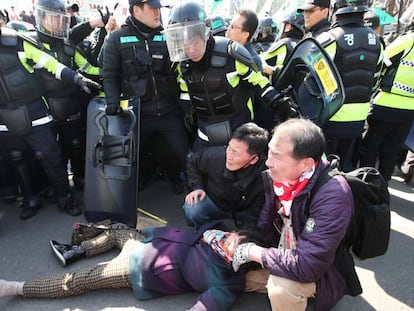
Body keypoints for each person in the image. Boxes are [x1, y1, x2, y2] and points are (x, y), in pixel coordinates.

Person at [231, 118, 356, 310]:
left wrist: (253, 252)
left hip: (320, 271)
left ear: (306, 164)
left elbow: (308, 264)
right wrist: (243, 240)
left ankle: (303, 294)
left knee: (281, 289)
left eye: (277, 156)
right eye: (269, 151)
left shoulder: (333, 195)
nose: (268, 162)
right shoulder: (281, 177)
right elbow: (265, 221)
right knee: (233, 276)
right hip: (285, 252)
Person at [0, 221, 265, 311]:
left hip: (140, 267)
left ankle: (17, 288)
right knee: (115, 229)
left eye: (234, 243)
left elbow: (203, 307)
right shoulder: (216, 234)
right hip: (148, 239)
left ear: (243, 258)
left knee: (80, 280)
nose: (227, 239)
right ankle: (78, 249)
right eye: (233, 235)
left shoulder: (229, 282)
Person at [0, 9, 100, 219]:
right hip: (3, 116)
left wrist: (76, 78)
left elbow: (50, 63)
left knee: (51, 156)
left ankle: (66, 196)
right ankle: (30, 198)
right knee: (17, 158)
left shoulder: (17, 43)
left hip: (33, 110)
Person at [163, 0, 295, 151]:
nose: (190, 48)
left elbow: (259, 84)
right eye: (183, 41)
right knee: (196, 166)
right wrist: (185, 114)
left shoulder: (230, 54)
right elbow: (186, 94)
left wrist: (279, 104)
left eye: (193, 40)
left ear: (205, 32)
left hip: (239, 129)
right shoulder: (183, 66)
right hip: (204, 131)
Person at [101, 0, 190, 193]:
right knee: (131, 155)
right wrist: (113, 104)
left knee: (184, 153)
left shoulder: (167, 36)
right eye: (152, 8)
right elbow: (109, 74)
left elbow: (182, 69)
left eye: (159, 8)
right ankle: (134, 183)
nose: (158, 13)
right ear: (136, 10)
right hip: (137, 114)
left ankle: (189, 185)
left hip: (168, 111)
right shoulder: (116, 39)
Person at [316, 0, 383, 172]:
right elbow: (376, 78)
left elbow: (312, 78)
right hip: (359, 116)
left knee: (324, 167)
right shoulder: (376, 40)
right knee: (347, 165)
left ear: (335, 11)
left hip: (332, 114)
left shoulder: (329, 37)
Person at [183, 122, 268, 229]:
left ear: (254, 159)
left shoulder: (263, 177)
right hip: (215, 203)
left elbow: (257, 211)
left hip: (243, 211)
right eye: (229, 148)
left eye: (236, 153)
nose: (229, 156)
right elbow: (192, 161)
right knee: (192, 208)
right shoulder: (216, 155)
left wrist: (243, 235)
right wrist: (197, 187)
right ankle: (210, 230)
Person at [358, 26, 414, 182]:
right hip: (409, 109)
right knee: (392, 150)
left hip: (386, 103)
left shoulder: (408, 40)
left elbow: (382, 62)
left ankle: (366, 183)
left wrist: (373, 86)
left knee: (370, 146)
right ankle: (382, 188)